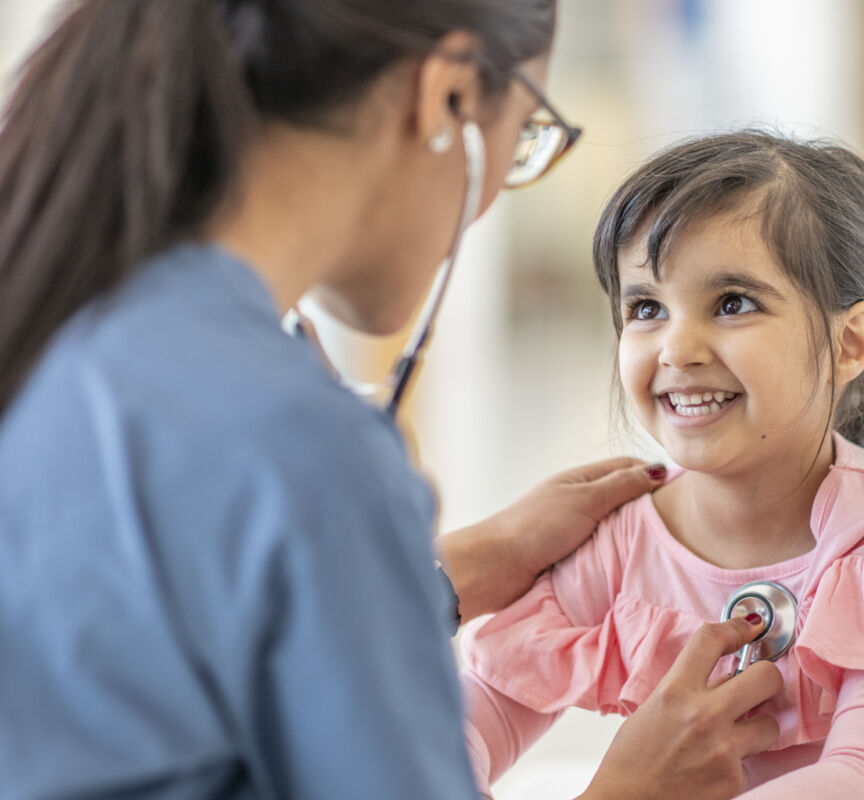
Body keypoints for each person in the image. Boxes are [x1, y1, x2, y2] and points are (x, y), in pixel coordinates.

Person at [0, 2, 784, 798]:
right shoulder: (296, 441)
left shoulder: (64, 333)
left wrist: (458, 567)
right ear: (446, 99)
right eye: (526, 140)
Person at [460, 132, 864, 798]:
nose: (678, 347)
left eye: (732, 304)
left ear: (848, 342)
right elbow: (476, 711)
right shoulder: (620, 541)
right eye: (646, 308)